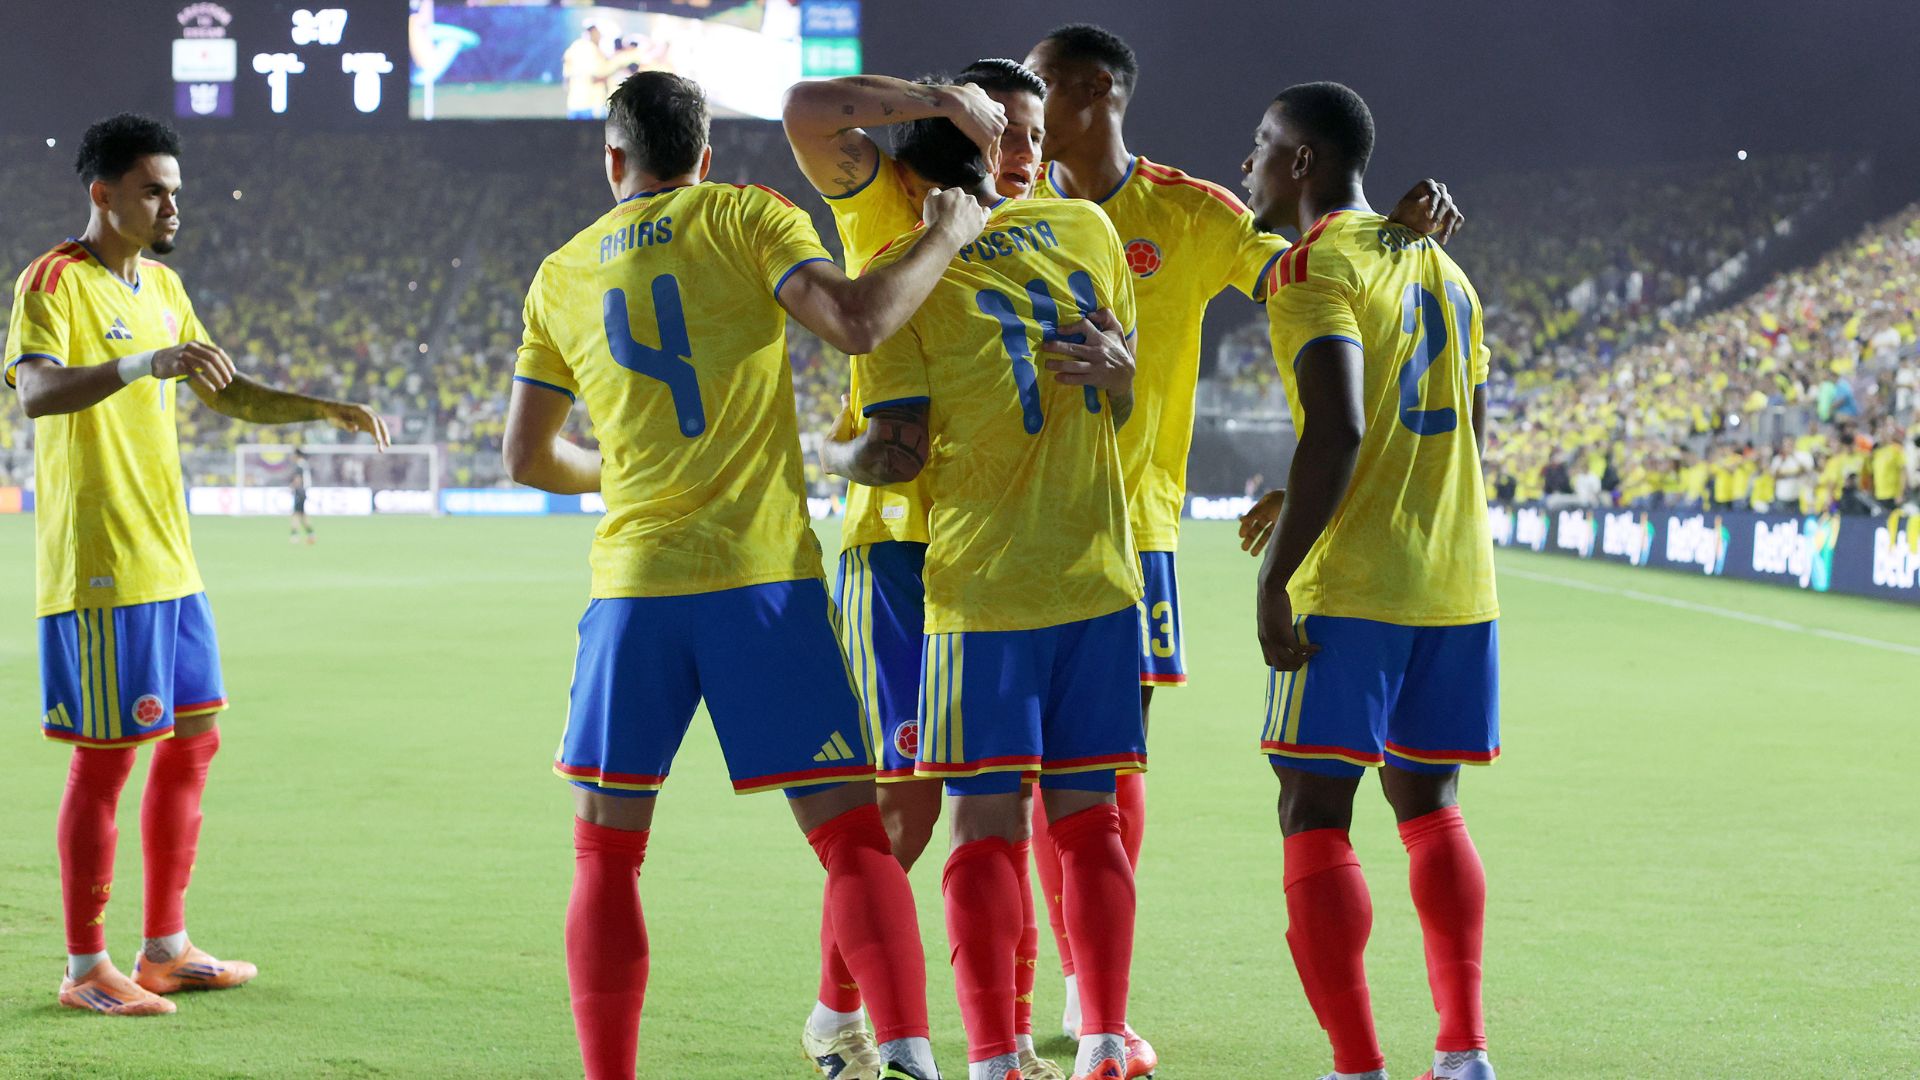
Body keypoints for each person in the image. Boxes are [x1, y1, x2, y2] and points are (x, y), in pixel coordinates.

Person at [501, 71, 988, 1080]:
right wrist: (946, 232)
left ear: (612, 159)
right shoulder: (744, 213)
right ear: (705, 156)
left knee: (606, 854)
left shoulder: (562, 271)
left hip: (635, 588)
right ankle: (903, 1056)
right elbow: (857, 322)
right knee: (854, 838)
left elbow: (527, 460)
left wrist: (620, 471)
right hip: (761, 583)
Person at [1018, 25, 1461, 1058]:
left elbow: (1314, 273)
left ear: (1093, 91)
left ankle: (1091, 993)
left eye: (1037, 88)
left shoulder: (1188, 212)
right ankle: (999, 998)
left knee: (1107, 764)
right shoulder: (1005, 207)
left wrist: (1390, 239)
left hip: (1133, 531)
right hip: (997, 524)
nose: (1019, 115)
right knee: (1005, 777)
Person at [6, 113, 389, 1017]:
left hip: (171, 561)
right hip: (100, 565)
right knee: (106, 765)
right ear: (103, 194)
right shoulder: (53, 282)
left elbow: (226, 388)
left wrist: (320, 408)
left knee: (195, 739)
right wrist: (142, 362)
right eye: (153, 189)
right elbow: (34, 391)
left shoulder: (165, 285)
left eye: (175, 188)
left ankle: (166, 947)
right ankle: (83, 967)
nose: (172, 203)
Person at [818, 102, 1144, 1080]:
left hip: (980, 585)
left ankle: (994, 1061)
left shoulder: (897, 274)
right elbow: (1115, 385)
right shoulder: (1091, 227)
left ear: (916, 183)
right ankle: (1100, 1043)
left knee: (981, 827)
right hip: (1098, 570)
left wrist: (807, 456)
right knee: (1091, 825)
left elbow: (898, 453)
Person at [782, 58, 1066, 1080]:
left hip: (1007, 549)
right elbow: (808, 110)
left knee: (1007, 802)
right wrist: (935, 100)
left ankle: (1009, 1040)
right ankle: (837, 1017)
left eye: (1039, 137)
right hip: (901, 545)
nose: (1028, 157)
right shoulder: (890, 198)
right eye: (1008, 132)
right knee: (905, 808)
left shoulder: (1052, 227)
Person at [1236, 82, 1498, 1080]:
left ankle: (1357, 1066)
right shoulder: (1447, 269)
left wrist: (1277, 578)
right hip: (1454, 580)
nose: (1249, 160)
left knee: (1312, 810)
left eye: (1262, 144)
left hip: (1351, 584)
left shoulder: (1311, 265)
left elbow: (1343, 426)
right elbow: (1468, 432)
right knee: (1429, 803)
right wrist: (1294, 482)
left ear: (1303, 161)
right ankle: (1464, 1053)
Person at [289, 447, 314, 544]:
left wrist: (292, 487)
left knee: (296, 514)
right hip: (304, 491)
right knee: (302, 515)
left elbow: (298, 479)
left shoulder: (299, 465)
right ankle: (311, 534)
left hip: (300, 491)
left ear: (296, 455)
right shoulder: (304, 464)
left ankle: (294, 536)